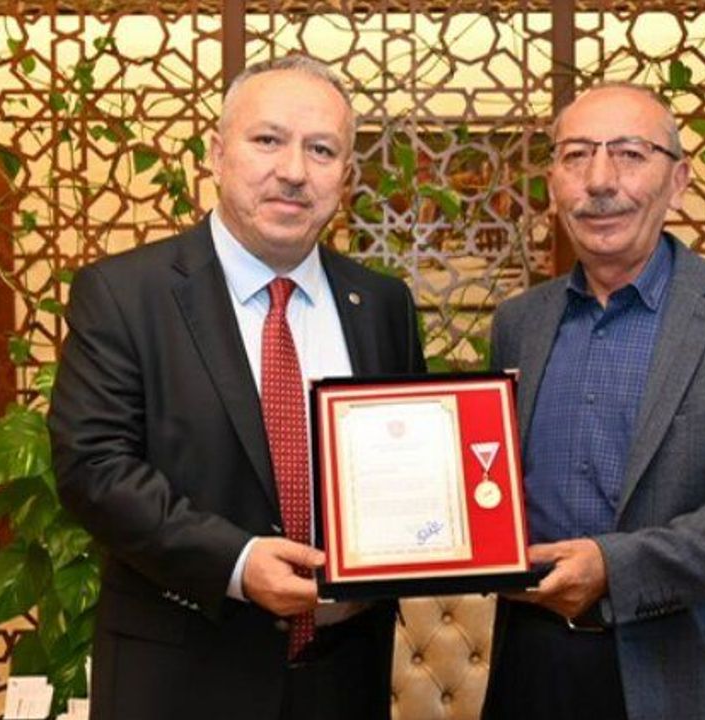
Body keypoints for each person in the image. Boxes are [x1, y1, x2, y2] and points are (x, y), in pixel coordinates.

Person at [48, 55, 425, 720]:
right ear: (218, 155)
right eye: (268, 139)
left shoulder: (381, 303)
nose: (294, 170)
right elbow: (95, 469)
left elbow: (407, 466)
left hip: (345, 678)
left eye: (321, 149)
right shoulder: (125, 294)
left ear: (346, 175)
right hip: (183, 679)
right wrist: (238, 562)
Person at [481, 83, 705, 719]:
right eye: (576, 155)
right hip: (534, 665)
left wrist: (615, 569)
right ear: (553, 183)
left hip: (690, 674)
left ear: (678, 182)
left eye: (630, 154)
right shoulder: (519, 323)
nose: (600, 181)